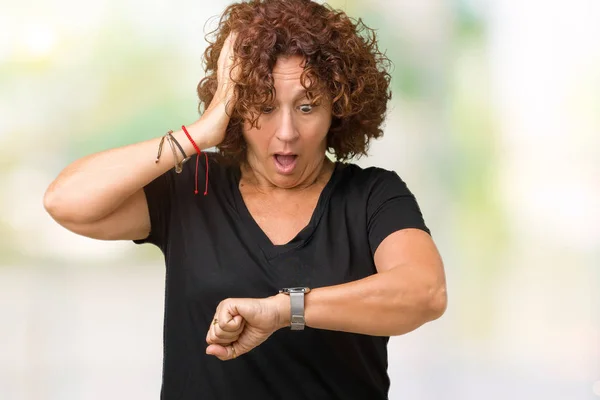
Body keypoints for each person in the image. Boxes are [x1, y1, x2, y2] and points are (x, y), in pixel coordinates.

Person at [43, 0, 447, 398]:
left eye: (307, 107)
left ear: (338, 110)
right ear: (236, 106)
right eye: (265, 106)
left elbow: (424, 293)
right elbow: (66, 201)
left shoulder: (371, 195)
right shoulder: (196, 184)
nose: (286, 131)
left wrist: (283, 311)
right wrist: (200, 133)